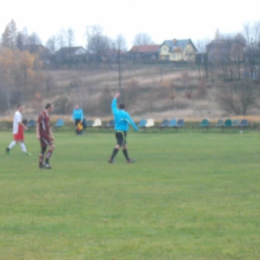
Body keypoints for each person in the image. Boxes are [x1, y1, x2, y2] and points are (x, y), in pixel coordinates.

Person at [108, 92, 138, 164]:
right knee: (119, 145)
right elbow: (130, 121)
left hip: (117, 131)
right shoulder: (125, 114)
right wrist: (135, 128)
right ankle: (111, 158)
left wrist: (115, 97)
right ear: (124, 108)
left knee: (124, 145)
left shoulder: (116, 112)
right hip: (122, 132)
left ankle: (128, 160)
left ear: (119, 107)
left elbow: (113, 105)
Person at [36, 103, 55, 169]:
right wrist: (37, 134)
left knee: (43, 149)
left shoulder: (47, 115)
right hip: (43, 134)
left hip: (46, 134)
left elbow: (48, 126)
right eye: (52, 108)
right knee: (52, 146)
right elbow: (38, 124)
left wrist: (51, 135)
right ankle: (46, 162)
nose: (52, 109)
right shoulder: (42, 114)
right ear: (49, 108)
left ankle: (40, 165)